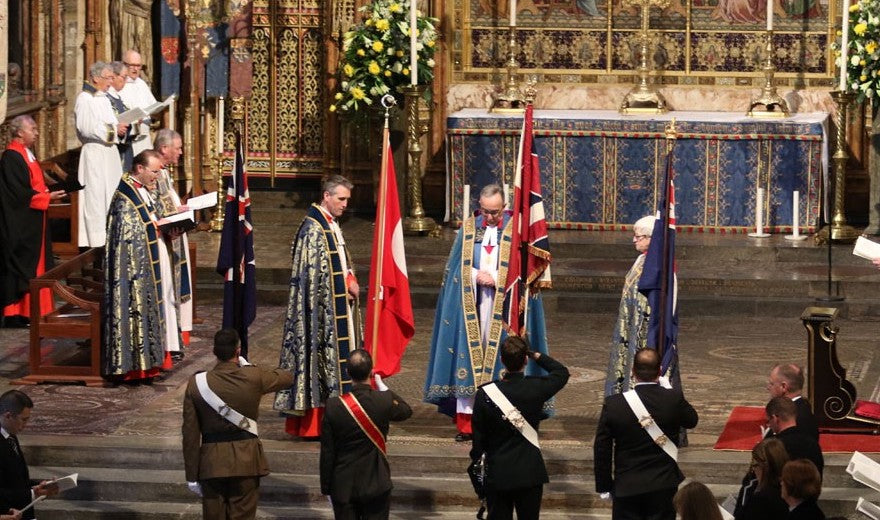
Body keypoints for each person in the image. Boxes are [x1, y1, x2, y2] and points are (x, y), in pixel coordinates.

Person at [424, 183, 550, 442]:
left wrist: (496, 278)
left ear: (504, 207)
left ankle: (506, 420)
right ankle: (468, 424)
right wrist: (473, 276)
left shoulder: (516, 230)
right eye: (485, 211)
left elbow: (525, 271)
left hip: (503, 308)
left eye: (495, 212)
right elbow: (452, 271)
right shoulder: (468, 230)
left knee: (505, 359)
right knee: (469, 358)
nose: (490, 217)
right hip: (473, 304)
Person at [274, 175, 360, 438]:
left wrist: (349, 277)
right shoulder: (313, 229)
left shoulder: (330, 225)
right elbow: (312, 278)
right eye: (341, 199)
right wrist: (343, 284)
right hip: (321, 314)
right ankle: (315, 424)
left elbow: (339, 264)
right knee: (319, 359)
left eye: (347, 199)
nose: (345, 204)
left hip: (337, 307)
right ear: (326, 196)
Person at [182, 329, 294, 519]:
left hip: (211, 464)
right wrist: (249, 366)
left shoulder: (196, 384)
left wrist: (192, 474)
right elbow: (287, 377)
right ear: (238, 351)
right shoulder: (253, 377)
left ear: (214, 351)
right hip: (247, 461)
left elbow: (190, 435)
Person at [469, 336, 569, 520]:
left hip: (498, 472)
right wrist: (536, 355)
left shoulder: (485, 394)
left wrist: (479, 470)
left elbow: (478, 439)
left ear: (501, 360)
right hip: (530, 472)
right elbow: (562, 372)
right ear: (525, 360)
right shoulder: (536, 387)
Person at [594, 348, 698, 520]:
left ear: (633, 372)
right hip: (663, 485)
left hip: (627, 486)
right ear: (659, 371)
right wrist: (671, 391)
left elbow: (602, 448)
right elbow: (692, 420)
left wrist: (604, 485)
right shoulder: (672, 399)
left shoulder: (614, 404)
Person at [103, 150, 176, 382]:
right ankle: (134, 368)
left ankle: (149, 364)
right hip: (132, 271)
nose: (157, 176)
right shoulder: (124, 199)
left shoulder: (141, 189)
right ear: (140, 169)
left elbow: (151, 217)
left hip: (146, 266)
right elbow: (127, 235)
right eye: (154, 171)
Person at [320, 349, 412, 519]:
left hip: (343, 485)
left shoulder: (333, 405)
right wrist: (384, 387)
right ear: (371, 372)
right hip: (377, 483)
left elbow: (327, 452)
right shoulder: (384, 400)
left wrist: (326, 488)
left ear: (347, 372)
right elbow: (406, 411)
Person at [0, 115, 66, 328]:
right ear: (19, 132)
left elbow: (35, 183)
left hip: (36, 218)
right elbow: (16, 193)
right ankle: (19, 312)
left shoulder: (27, 153)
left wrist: (49, 192)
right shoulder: (11, 157)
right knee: (26, 265)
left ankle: (37, 310)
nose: (37, 133)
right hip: (23, 221)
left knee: (40, 264)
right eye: (33, 129)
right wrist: (45, 198)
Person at [75, 61, 128, 248]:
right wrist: (115, 129)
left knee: (110, 193)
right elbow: (86, 128)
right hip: (95, 154)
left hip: (108, 154)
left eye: (112, 78)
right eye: (108, 78)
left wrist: (120, 127)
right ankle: (96, 242)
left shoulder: (102, 98)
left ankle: (111, 236)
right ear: (96, 78)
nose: (110, 82)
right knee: (96, 197)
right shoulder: (85, 99)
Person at [606, 215, 656, 396]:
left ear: (652, 238)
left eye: (639, 236)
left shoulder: (654, 264)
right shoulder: (642, 259)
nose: (634, 240)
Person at [152, 129, 193, 350]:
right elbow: (156, 207)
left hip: (175, 232)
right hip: (166, 235)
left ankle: (177, 333)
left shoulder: (164, 172)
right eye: (177, 148)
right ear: (164, 149)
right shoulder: (155, 172)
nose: (180, 152)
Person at [0, 390, 59, 520]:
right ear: (8, 416)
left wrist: (37, 485)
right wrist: (33, 493)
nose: (26, 425)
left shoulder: (10, 435)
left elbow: (13, 478)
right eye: (24, 420)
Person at [733, 437, 789, 520]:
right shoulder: (792, 489)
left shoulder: (761, 498)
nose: (753, 471)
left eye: (755, 465)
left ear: (765, 467)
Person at [765, 397, 824, 475]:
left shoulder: (772, 447)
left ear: (775, 419)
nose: (768, 425)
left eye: (768, 421)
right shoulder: (814, 445)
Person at [118, 49, 158, 156]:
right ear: (124, 64)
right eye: (132, 65)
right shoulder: (120, 85)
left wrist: (157, 110)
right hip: (129, 139)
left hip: (144, 137)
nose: (136, 69)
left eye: (138, 66)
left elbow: (152, 106)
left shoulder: (142, 84)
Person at [766, 363, 819, 441]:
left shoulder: (791, 417)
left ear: (783, 387)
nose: (768, 388)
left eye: (772, 384)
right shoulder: (804, 406)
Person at [106, 61, 136, 172]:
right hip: (116, 148)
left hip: (126, 145)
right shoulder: (106, 98)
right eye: (124, 77)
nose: (125, 81)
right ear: (113, 77)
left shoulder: (117, 96)